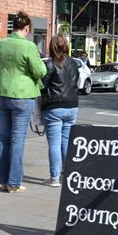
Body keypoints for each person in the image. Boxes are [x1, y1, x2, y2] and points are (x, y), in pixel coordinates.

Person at [0, 11, 47, 193]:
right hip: (23, 96)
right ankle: (14, 183)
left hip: (2, 94)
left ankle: (3, 180)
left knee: (3, 138)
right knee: (17, 140)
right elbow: (40, 71)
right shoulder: (29, 46)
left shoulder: (1, 44)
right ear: (26, 28)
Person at [40, 34, 79, 187]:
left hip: (54, 107)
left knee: (54, 144)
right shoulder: (74, 63)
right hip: (72, 106)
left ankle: (54, 178)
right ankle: (66, 175)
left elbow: (42, 85)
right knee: (66, 142)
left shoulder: (50, 64)